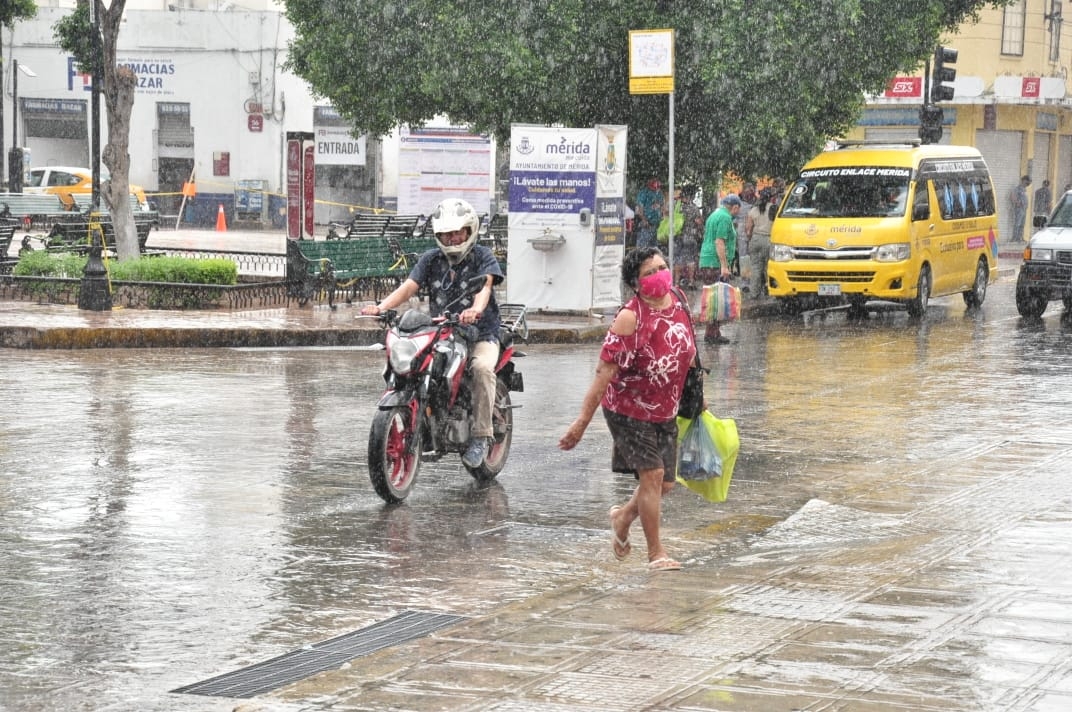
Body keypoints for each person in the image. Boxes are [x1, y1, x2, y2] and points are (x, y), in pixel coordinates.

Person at [559, 246, 697, 572]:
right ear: (635, 282)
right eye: (650, 272)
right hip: (628, 410)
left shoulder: (678, 299)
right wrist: (581, 422)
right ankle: (656, 553)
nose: (659, 275)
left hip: (666, 409)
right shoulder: (630, 317)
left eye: (662, 267)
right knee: (653, 475)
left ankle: (622, 517)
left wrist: (696, 395)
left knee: (665, 485)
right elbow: (604, 372)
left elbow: (688, 348)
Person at [361, 198, 504, 468]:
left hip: (481, 334)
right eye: (445, 234)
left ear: (469, 231)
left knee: (482, 369)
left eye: (456, 233)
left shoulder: (483, 256)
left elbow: (485, 288)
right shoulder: (431, 259)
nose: (451, 239)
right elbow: (409, 287)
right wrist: (381, 308)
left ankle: (481, 436)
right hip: (444, 331)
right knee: (418, 364)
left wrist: (475, 310)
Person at [698, 194, 741, 344]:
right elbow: (719, 242)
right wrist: (724, 265)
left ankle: (713, 331)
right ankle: (711, 333)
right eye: (737, 209)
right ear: (735, 207)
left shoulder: (715, 214)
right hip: (714, 262)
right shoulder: (725, 218)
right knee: (716, 299)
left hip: (707, 260)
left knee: (714, 298)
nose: (737, 213)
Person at [745, 187, 776, 299]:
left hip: (756, 239)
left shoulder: (753, 210)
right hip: (769, 240)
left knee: (755, 267)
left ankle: (754, 293)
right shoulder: (773, 209)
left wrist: (750, 239)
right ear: (770, 198)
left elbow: (748, 229)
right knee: (769, 267)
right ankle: (771, 291)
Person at [674, 184, 703, 288]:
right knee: (690, 259)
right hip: (690, 236)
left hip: (677, 236)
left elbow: (666, 215)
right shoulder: (693, 208)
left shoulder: (676, 206)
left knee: (678, 259)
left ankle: (676, 283)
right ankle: (691, 282)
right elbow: (699, 222)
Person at [635, 177, 665, 248]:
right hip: (647, 225)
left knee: (654, 249)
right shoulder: (644, 193)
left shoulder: (659, 193)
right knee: (642, 249)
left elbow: (662, 206)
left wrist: (663, 216)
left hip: (657, 226)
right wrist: (644, 220)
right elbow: (639, 209)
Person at [1009, 175, 1031, 242]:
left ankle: (1020, 238)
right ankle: (1014, 238)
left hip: (1024, 209)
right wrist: (1017, 202)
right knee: (1017, 223)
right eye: (1027, 181)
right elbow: (1012, 196)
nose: (1028, 183)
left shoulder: (1024, 189)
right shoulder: (1018, 188)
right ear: (1023, 180)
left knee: (1022, 224)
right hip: (1019, 209)